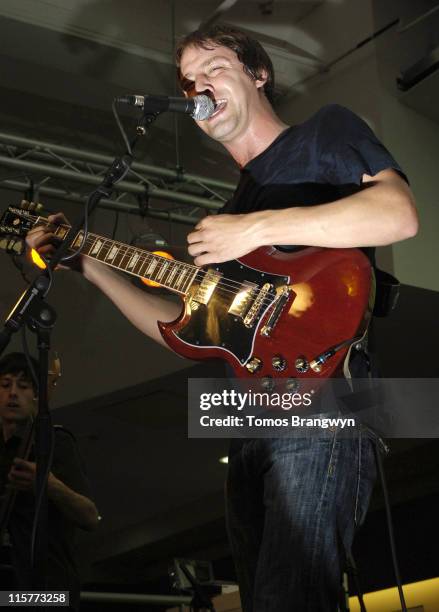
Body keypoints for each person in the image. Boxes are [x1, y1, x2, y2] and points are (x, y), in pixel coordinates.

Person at [27, 25, 418, 611]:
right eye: (187, 80)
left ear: (258, 74)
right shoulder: (233, 209)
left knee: (294, 597)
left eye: (212, 67)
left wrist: (255, 229)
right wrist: (89, 264)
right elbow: (181, 329)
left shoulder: (322, 132)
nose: (196, 85)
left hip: (326, 396)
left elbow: (398, 215)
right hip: (250, 411)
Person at [0, 352, 99, 610]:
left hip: (49, 590)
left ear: (36, 395)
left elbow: (89, 516)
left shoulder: (55, 442)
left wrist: (48, 484)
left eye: (22, 387)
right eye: (5, 384)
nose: (12, 393)